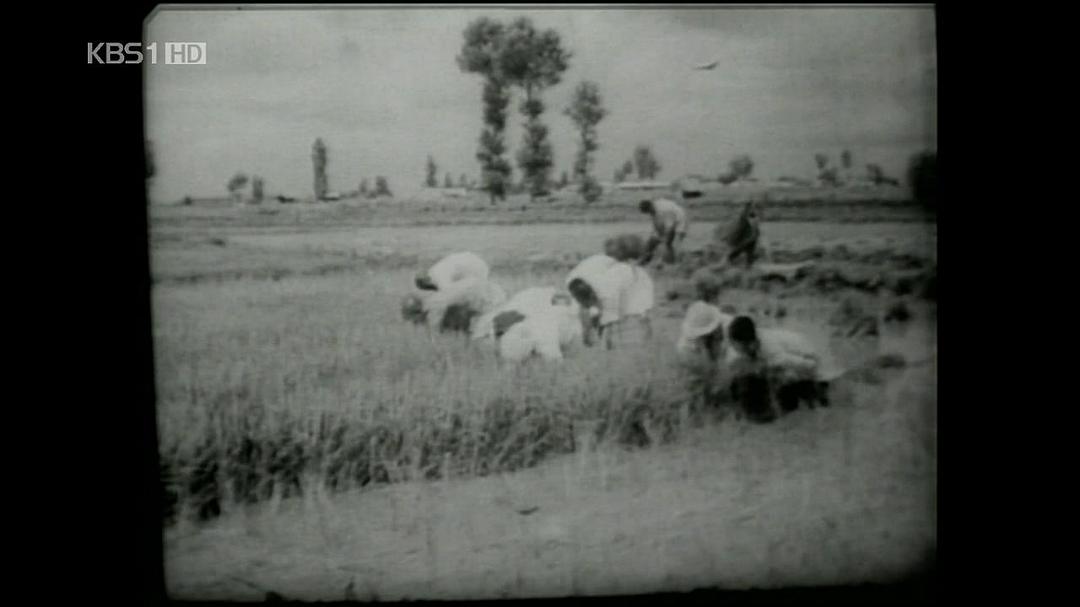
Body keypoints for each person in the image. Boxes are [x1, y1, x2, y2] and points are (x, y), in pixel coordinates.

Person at [566, 254, 655, 350]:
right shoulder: (573, 285)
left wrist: (602, 338)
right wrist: (587, 335)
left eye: (588, 304)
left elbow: (609, 318)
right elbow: (587, 314)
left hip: (633, 280)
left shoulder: (608, 291)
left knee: (631, 315)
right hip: (604, 272)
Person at [639, 197, 689, 265]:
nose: (649, 214)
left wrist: (665, 240)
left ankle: (676, 263)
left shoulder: (664, 210)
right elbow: (657, 225)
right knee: (654, 240)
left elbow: (669, 227)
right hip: (668, 220)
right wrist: (657, 236)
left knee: (674, 243)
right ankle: (647, 260)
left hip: (680, 219)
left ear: (650, 207)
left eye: (649, 211)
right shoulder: (654, 208)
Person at [715, 201, 762, 268]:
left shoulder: (753, 228)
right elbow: (743, 217)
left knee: (748, 250)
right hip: (741, 243)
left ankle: (747, 263)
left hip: (746, 242)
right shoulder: (743, 223)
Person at [414, 251, 490, 292]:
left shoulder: (438, 277)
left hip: (476, 270)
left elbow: (448, 293)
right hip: (474, 260)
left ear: (427, 281)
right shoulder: (435, 269)